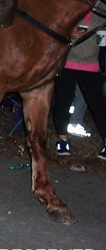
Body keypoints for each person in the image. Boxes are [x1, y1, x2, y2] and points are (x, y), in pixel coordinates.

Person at [53, 10, 106, 160]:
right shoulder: (74, 5)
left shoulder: (102, 9)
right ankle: (63, 142)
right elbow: (56, 29)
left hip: (90, 64)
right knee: (62, 103)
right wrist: (70, 35)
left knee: (98, 105)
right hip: (68, 63)